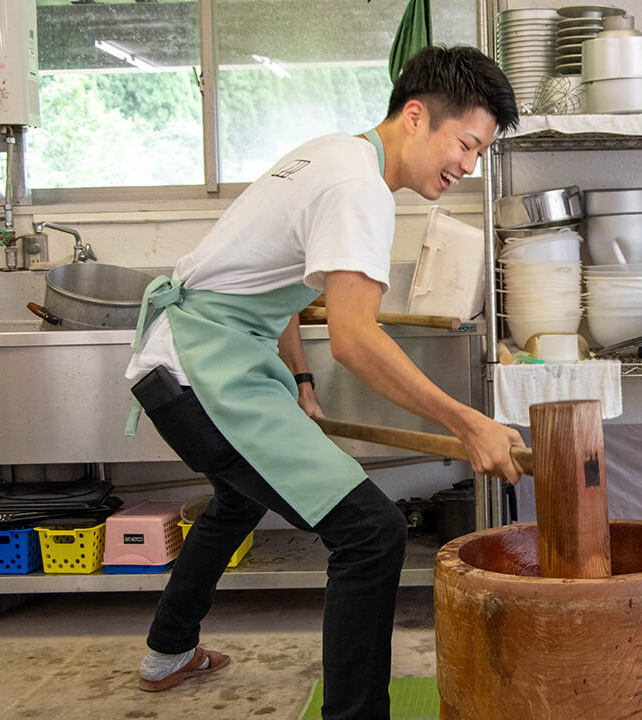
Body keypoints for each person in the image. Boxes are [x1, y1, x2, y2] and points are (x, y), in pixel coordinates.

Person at [122, 46, 522, 719]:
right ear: (417, 116)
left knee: (237, 498)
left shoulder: (334, 153)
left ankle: (169, 651)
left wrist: (302, 382)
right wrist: (468, 421)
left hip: (196, 362)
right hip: (198, 372)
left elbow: (274, 283)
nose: (468, 165)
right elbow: (357, 339)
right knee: (371, 533)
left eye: (480, 152)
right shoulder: (357, 189)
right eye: (467, 144)